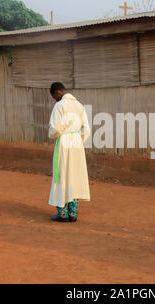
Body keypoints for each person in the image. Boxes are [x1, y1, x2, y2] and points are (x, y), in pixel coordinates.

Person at [48, 82, 91, 222]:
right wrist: (77, 140)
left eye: (54, 96)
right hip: (77, 144)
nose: (55, 99)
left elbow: (54, 129)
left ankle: (63, 213)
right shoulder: (79, 105)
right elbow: (87, 130)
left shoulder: (59, 106)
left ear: (58, 92)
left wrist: (60, 136)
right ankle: (73, 213)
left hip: (64, 143)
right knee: (74, 177)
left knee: (61, 176)